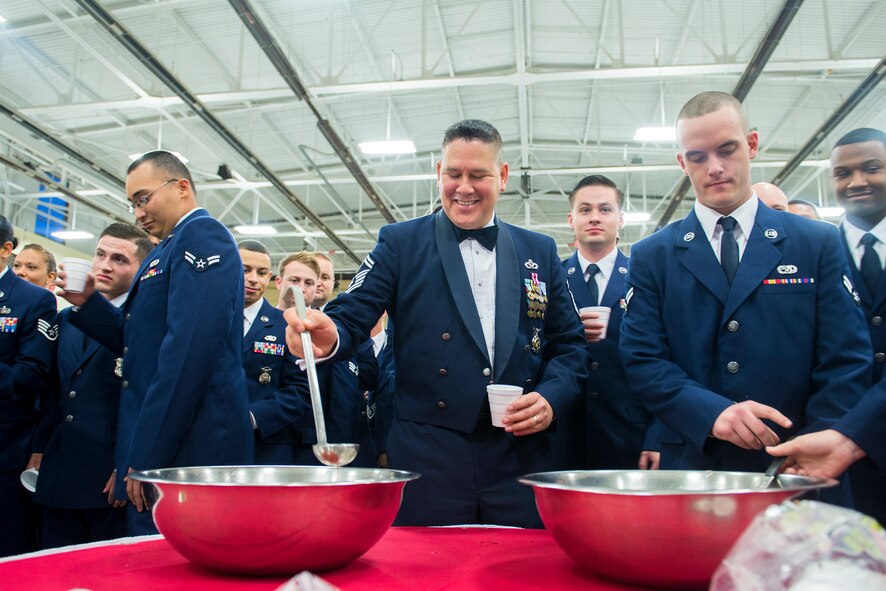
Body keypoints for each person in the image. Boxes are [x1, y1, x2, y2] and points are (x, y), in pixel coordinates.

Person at [284, 119, 588, 528]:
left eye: (478, 175)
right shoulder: (400, 242)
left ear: (502, 176)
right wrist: (328, 334)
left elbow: (570, 345)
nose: (464, 188)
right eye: (453, 174)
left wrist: (550, 399)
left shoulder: (540, 250)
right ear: (438, 173)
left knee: (521, 559)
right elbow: (352, 313)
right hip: (428, 454)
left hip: (520, 455)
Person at [619, 92, 872, 481]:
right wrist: (711, 413)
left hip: (798, 461)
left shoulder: (815, 242)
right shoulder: (653, 255)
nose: (715, 168)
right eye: (698, 157)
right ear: (682, 163)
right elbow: (642, 359)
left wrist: (820, 435)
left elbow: (846, 356)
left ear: (752, 145)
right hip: (694, 463)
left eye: (727, 150)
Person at [57, 150, 254, 535]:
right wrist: (89, 303)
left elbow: (188, 355)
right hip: (164, 439)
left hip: (189, 446)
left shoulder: (202, 237)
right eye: (132, 203)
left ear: (181, 187)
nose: (138, 213)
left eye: (143, 198)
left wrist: (148, 453)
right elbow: (139, 343)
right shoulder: (165, 249)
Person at [31, 223, 152, 548]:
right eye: (100, 254)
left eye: (119, 259)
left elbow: (147, 402)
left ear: (141, 269)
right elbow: (54, 391)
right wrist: (39, 449)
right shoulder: (67, 317)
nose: (104, 265)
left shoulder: (145, 323)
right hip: (59, 471)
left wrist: (128, 464)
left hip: (109, 479)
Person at [562, 174, 658, 470]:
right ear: (571, 220)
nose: (595, 217)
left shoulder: (646, 278)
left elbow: (667, 358)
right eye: (585, 209)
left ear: (621, 219)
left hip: (631, 433)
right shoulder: (551, 280)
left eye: (605, 209)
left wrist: (659, 435)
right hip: (563, 432)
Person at [826, 127, 886, 522]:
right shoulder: (814, 253)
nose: (856, 182)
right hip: (835, 454)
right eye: (843, 173)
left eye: (872, 168)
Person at [0, 216, 57, 556]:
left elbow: (31, 375)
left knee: (9, 551)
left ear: (5, 249)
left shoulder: (33, 300)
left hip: (7, 451)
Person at [239, 240, 310, 464]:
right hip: (208, 440)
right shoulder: (207, 321)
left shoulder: (288, 325)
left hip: (265, 448)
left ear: (269, 277)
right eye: (245, 270)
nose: (253, 278)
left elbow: (301, 390)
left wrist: (252, 417)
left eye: (261, 273)